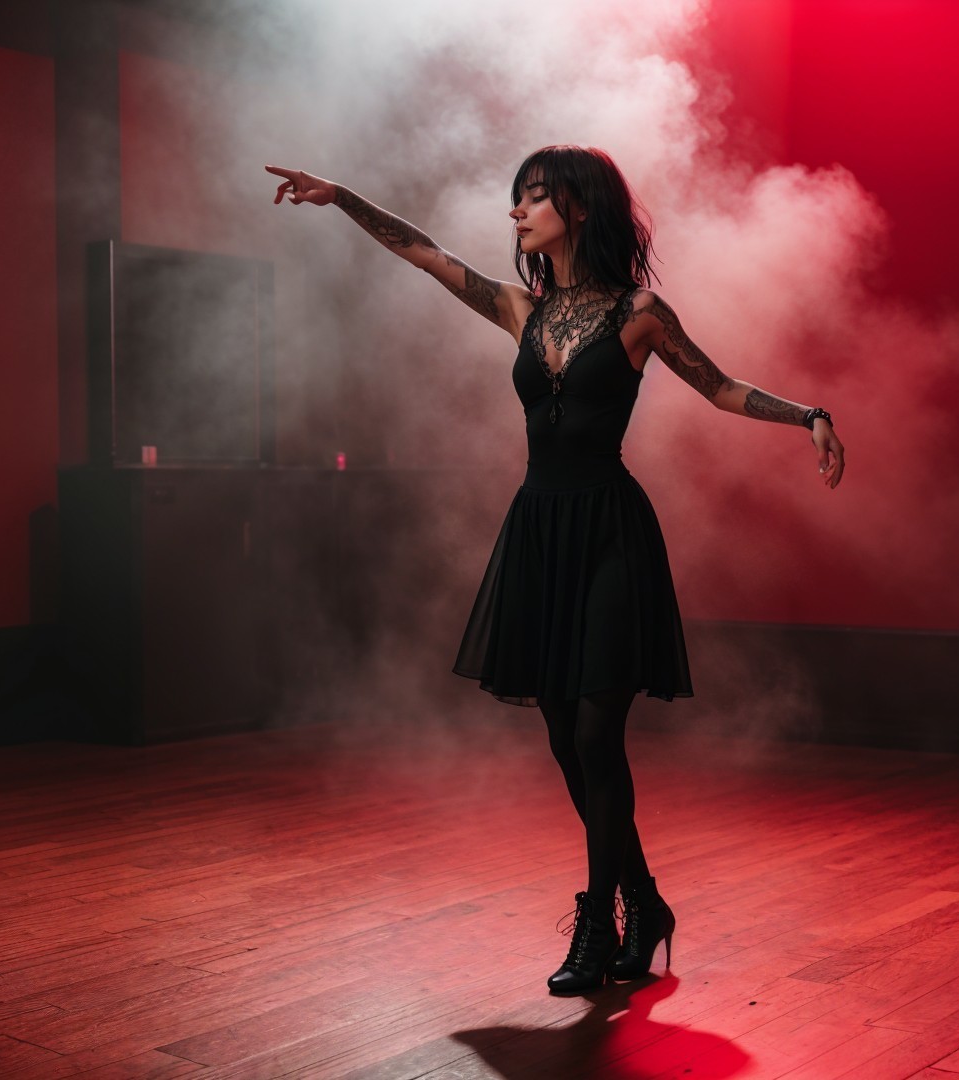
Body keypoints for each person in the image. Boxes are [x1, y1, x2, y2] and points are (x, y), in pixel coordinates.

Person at [265, 146, 846, 995]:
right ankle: (644, 905)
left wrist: (811, 415)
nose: (517, 212)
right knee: (561, 737)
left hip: (610, 532)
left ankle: (600, 918)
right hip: (539, 530)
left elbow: (718, 387)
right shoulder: (519, 310)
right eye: (516, 199)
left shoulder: (642, 313)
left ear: (577, 208)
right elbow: (424, 253)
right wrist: (343, 195)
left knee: (592, 732)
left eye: (533, 198)